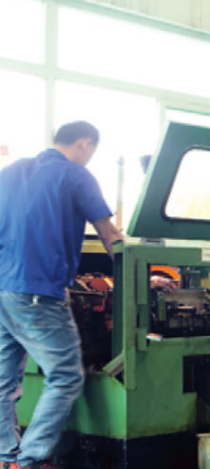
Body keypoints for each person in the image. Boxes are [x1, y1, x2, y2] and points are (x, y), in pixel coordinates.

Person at [0, 122, 123, 469]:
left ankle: (6, 457)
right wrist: (144, 275)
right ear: (85, 143)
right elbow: (109, 235)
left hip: (4, 290)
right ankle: (31, 459)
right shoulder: (76, 175)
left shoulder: (9, 173)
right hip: (39, 293)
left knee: (4, 380)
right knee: (66, 375)